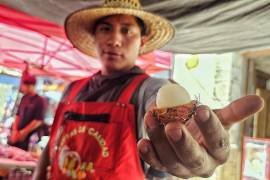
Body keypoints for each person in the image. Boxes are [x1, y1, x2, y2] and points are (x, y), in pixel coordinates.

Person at [33, 0, 264, 179]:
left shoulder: (146, 88)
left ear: (142, 41)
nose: (114, 39)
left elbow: (160, 95)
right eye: (105, 29)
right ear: (95, 36)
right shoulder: (72, 90)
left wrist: (181, 120)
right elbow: (51, 148)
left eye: (127, 30)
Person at [8, 74, 47, 151]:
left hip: (29, 139)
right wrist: (15, 130)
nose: (22, 88)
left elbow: (38, 120)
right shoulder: (24, 97)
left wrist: (23, 133)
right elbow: (18, 115)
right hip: (17, 135)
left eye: (24, 85)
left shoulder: (40, 100)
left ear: (31, 86)